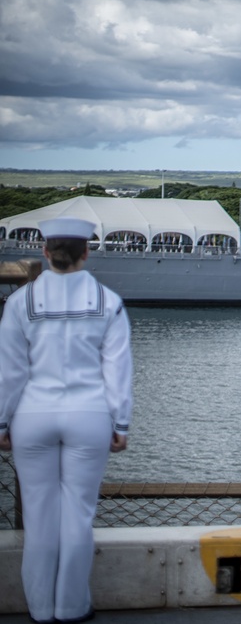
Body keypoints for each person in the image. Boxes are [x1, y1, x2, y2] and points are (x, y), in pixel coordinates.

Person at [0, 217, 133, 624]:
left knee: (40, 516)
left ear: (45, 251)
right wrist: (121, 423)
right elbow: (118, 369)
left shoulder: (20, 302)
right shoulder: (108, 301)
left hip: (32, 415)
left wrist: (2, 423)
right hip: (89, 414)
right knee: (78, 513)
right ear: (86, 253)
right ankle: (72, 607)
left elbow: (10, 371)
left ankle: (40, 610)